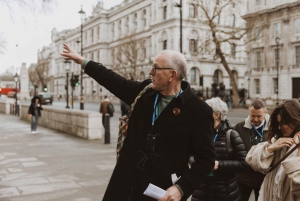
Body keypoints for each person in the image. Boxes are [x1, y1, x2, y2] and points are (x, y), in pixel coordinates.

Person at [61, 43, 216, 201]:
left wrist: (181, 188)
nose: (150, 72)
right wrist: (82, 61)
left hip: (162, 192)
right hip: (126, 184)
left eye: (156, 68)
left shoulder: (199, 111)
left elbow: (206, 159)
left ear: (172, 75)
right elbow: (113, 80)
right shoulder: (143, 93)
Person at [191, 97, 248, 201]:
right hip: (201, 192)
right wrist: (200, 163)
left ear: (216, 115)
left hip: (225, 194)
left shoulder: (231, 135)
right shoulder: (199, 133)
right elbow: (190, 156)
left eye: (205, 111)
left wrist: (219, 165)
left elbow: (243, 164)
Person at [246, 100, 300, 201]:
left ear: (295, 119)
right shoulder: (278, 139)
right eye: (279, 123)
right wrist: (270, 148)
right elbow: (252, 160)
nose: (280, 127)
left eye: (284, 123)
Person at [233, 99, 269, 201]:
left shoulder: (273, 128)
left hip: (263, 179)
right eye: (253, 116)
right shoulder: (239, 127)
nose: (255, 119)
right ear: (249, 112)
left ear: (265, 113)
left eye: (259, 116)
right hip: (242, 178)